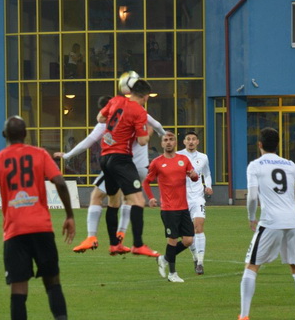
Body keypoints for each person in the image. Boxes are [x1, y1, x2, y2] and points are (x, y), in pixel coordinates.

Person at [0, 116, 85, 320]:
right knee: (53, 283)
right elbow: (59, 183)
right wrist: (69, 215)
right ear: (26, 134)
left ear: (5, 134)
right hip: (42, 229)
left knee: (18, 292)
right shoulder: (40, 155)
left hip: (15, 234)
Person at [230, 127, 295, 320]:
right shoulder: (289, 165)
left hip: (270, 222)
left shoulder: (255, 165)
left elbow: (252, 197)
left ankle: (243, 316)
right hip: (292, 222)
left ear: (259, 144)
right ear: (277, 145)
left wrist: (251, 217)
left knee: (251, 266)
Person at [54, 96, 166, 254]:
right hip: (140, 168)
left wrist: (67, 156)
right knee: (127, 199)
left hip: (121, 164)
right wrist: (164, 135)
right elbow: (156, 125)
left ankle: (92, 237)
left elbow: (87, 142)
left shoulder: (106, 124)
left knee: (97, 196)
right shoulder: (140, 113)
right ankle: (120, 235)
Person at [97, 78, 159, 257]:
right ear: (146, 97)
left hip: (105, 157)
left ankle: (114, 244)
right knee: (138, 201)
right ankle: (138, 245)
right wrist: (148, 133)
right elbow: (141, 141)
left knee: (113, 202)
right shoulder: (139, 111)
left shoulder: (115, 100)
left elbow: (100, 117)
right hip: (121, 159)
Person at [143, 132, 199, 282]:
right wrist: (151, 198)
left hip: (183, 207)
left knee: (188, 240)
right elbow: (146, 182)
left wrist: (194, 174)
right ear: (162, 144)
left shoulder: (183, 159)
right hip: (168, 209)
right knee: (172, 239)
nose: (168, 142)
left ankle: (164, 258)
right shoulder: (157, 162)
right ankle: (172, 274)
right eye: (165, 140)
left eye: (171, 140)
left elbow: (194, 177)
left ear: (175, 143)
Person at [178, 131, 213, 275]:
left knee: (199, 227)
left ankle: (200, 262)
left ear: (198, 142)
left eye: (193, 139)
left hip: (198, 197)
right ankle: (194, 256)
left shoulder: (203, 157)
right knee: (187, 233)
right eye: (188, 139)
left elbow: (207, 173)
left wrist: (208, 186)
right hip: (181, 197)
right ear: (184, 142)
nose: (191, 141)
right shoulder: (178, 156)